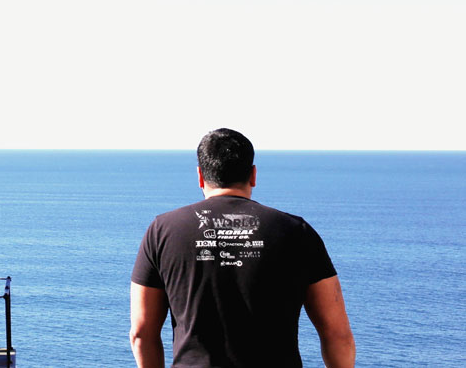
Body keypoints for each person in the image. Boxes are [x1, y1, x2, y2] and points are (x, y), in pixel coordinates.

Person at [130, 128, 355, 367]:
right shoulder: (297, 232)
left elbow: (142, 334)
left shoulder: (162, 231)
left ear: (200, 176)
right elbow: (337, 334)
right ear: (253, 175)